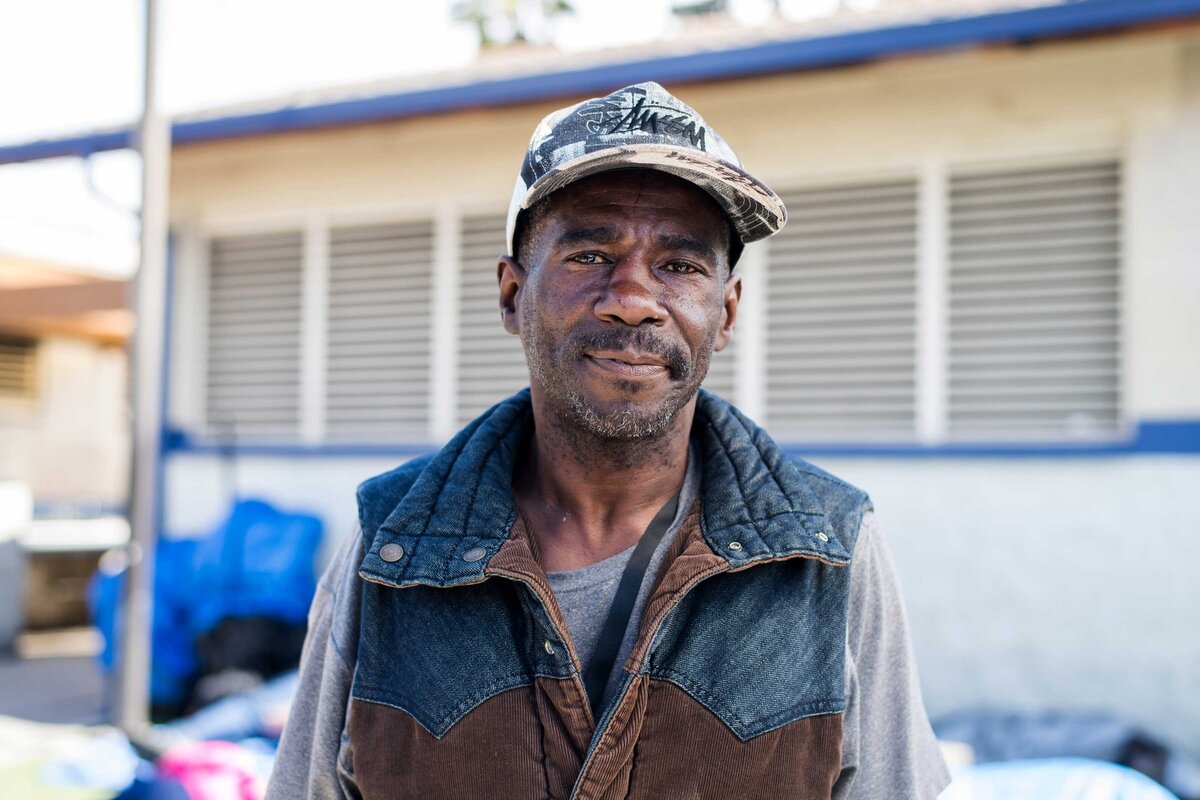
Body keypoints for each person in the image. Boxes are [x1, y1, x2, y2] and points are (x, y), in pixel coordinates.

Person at [267, 81, 950, 800]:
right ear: (510, 295)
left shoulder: (828, 552)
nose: (632, 299)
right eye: (590, 255)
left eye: (680, 266)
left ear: (725, 312)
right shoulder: (391, 548)